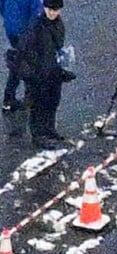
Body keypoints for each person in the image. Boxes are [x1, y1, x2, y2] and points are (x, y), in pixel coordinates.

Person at [16, 0, 71, 149]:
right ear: (45, 8)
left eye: (55, 9)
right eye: (50, 9)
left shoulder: (59, 24)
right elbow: (25, 50)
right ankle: (38, 135)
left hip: (52, 71)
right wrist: (31, 72)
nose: (52, 12)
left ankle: (49, 129)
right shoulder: (36, 26)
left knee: (52, 102)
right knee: (38, 104)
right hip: (37, 73)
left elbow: (58, 48)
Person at [2, 0, 41, 111]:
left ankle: (9, 97)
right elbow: (36, 12)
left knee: (18, 61)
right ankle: (30, 98)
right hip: (25, 30)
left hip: (11, 30)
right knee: (30, 63)